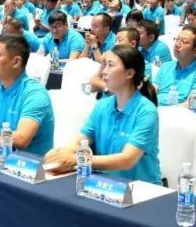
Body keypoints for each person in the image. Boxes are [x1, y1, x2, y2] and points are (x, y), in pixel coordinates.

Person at [45, 45, 161, 184]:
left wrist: (79, 159)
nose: (104, 71)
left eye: (110, 65)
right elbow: (80, 141)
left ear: (129, 74)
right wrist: (60, 153)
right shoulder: (102, 105)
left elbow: (127, 160)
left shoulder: (146, 112)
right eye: (104, 65)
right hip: (105, 184)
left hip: (141, 188)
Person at [153, 26, 196, 105]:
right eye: (177, 39)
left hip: (178, 111)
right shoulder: (166, 66)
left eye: (184, 42)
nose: (177, 44)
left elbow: (191, 104)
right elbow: (153, 89)